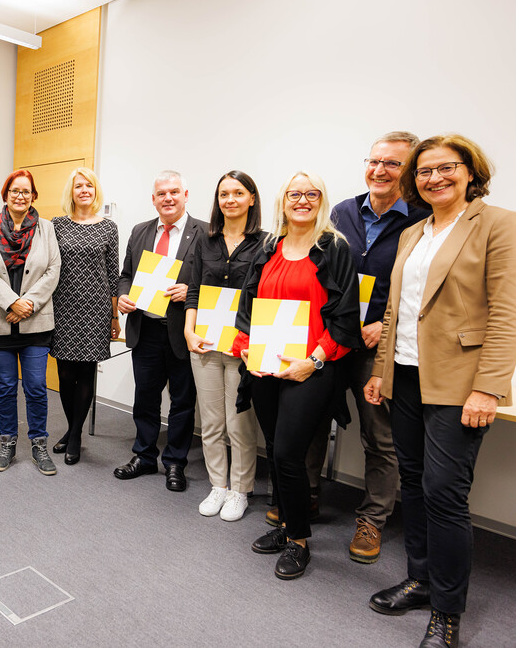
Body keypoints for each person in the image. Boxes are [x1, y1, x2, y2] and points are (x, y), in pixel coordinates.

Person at [364, 135, 516, 648]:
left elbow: (508, 314)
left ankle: (447, 611)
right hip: (406, 376)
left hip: (459, 383)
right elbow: (395, 311)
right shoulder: (414, 232)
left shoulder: (499, 224)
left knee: (444, 493)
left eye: (446, 167)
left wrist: (488, 389)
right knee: (412, 484)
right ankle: (420, 580)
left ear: (470, 170)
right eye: (424, 171)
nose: (434, 178)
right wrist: (381, 370)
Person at [234, 172, 360, 580]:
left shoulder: (334, 248)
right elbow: (249, 304)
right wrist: (246, 348)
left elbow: (345, 317)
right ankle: (286, 523)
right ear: (283, 201)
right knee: (274, 448)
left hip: (311, 369)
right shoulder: (269, 246)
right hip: (266, 366)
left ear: (321, 200)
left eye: (311, 194)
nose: (302, 200)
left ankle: (299, 540)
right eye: (294, 194)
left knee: (289, 454)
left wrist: (314, 361)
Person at [310, 132, 428, 562]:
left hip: (379, 348)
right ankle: (306, 495)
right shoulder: (342, 211)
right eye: (374, 161)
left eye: (393, 163)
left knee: (379, 436)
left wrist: (385, 325)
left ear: (409, 171)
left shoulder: (423, 219)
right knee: (312, 419)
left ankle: (373, 518)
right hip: (332, 339)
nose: (379, 170)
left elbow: (423, 291)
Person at [114, 170, 204, 492]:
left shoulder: (204, 233)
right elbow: (126, 275)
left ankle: (175, 462)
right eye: (162, 193)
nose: (168, 198)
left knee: (182, 401)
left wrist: (190, 291)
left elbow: (212, 280)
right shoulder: (140, 231)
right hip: (146, 328)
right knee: (145, 398)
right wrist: (123, 295)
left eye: (174, 192)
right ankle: (144, 456)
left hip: (181, 331)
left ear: (185, 195)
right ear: (153, 199)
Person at [183, 171, 264, 521]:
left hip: (241, 346)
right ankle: (218, 484)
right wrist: (189, 331)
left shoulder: (265, 242)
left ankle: (239, 490)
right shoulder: (205, 240)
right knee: (212, 422)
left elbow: (265, 296)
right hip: (205, 341)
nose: (230, 200)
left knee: (239, 423)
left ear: (251, 198)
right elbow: (194, 289)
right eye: (223, 194)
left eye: (238, 193)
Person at [0, 170, 61, 475]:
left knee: (36, 386)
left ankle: (39, 444)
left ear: (33, 196)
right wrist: (12, 302)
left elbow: (53, 269)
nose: (20, 196)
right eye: (15, 190)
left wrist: (28, 304)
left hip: (35, 322)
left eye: (26, 191)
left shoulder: (46, 228)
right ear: (6, 194)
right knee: (5, 387)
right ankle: (7, 443)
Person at [50, 167, 121, 465]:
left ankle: (75, 435)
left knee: (86, 373)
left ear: (95, 191)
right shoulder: (57, 225)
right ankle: (73, 428)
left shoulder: (109, 227)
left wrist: (115, 317)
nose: (84, 190)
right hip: (63, 306)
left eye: (89, 186)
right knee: (65, 374)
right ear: (72, 191)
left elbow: (113, 275)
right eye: (79, 186)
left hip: (95, 308)